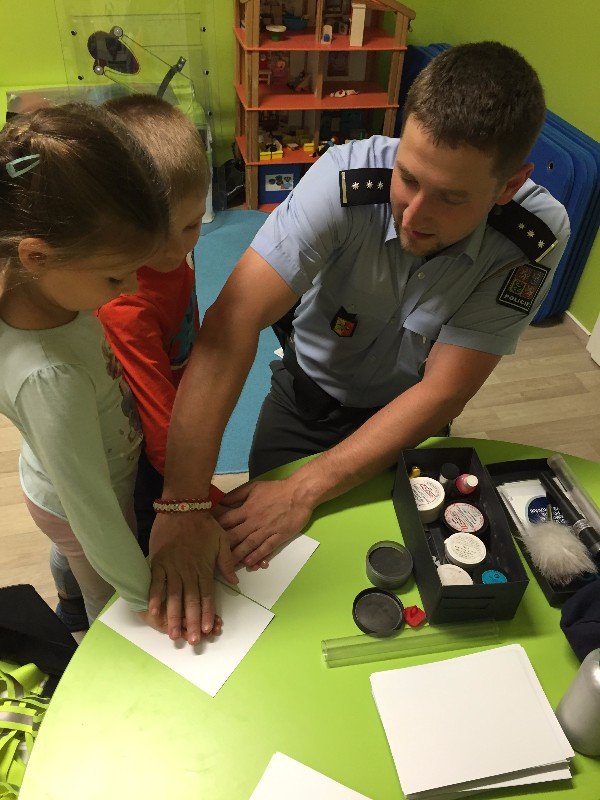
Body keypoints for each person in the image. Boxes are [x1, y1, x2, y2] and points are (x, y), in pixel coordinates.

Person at [147, 42, 570, 637]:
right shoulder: (343, 177)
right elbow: (230, 325)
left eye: (451, 197)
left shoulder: (533, 235)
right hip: (305, 401)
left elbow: (444, 391)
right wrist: (183, 501)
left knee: (405, 579)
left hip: (409, 420)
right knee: (272, 586)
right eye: (408, 178)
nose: (414, 215)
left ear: (509, 186)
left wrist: (307, 488)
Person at [0, 103, 171, 631]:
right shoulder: (50, 379)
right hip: (81, 506)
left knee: (71, 555)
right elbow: (92, 514)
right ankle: (84, 618)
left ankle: (68, 595)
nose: (132, 288)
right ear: (37, 256)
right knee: (106, 603)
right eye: (115, 277)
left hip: (65, 483)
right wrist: (142, 601)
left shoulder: (49, 297)